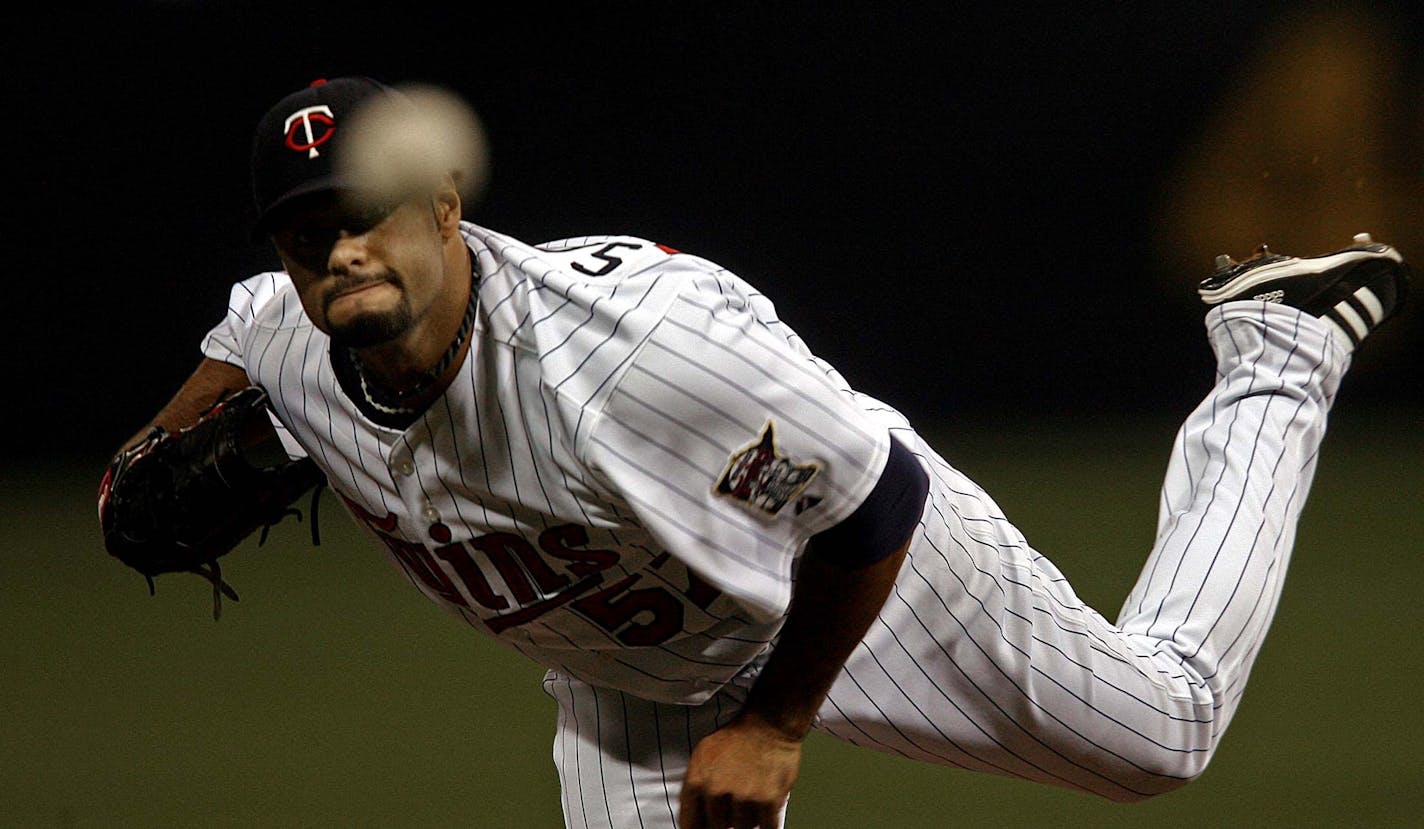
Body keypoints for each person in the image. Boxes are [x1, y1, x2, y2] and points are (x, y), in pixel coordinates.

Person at [105, 76, 1410, 829]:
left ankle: (1281, 347)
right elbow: (180, 417)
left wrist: (778, 722)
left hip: (829, 564)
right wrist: (138, 480)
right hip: (630, 685)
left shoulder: (635, 358)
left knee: (1162, 731)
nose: (339, 254)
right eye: (304, 234)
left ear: (443, 209)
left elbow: (870, 503)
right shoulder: (287, 336)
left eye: (365, 218)